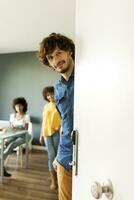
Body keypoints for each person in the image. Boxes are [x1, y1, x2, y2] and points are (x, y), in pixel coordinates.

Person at [38, 33, 75, 200]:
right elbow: (65, 122)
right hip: (64, 155)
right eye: (51, 57)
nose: (56, 60)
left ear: (69, 51)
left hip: (88, 152)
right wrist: (59, 156)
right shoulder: (58, 87)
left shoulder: (90, 77)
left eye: (59, 53)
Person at [40, 86, 61, 190]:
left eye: (52, 94)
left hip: (56, 132)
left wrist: (60, 126)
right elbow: (44, 121)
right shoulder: (46, 106)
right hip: (46, 133)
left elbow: (63, 117)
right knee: (51, 155)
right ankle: (53, 180)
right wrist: (41, 135)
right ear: (46, 96)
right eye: (48, 95)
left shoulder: (59, 104)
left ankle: (58, 177)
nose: (50, 96)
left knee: (57, 155)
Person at [3, 97, 31, 172]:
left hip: (24, 135)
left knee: (12, 144)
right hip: (14, 134)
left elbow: (25, 129)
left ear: (24, 106)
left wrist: (16, 127)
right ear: (14, 107)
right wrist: (8, 128)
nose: (18, 107)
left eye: (20, 105)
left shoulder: (26, 116)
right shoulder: (12, 116)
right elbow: (10, 127)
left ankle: (1, 160)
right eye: (16, 106)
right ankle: (2, 165)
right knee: (6, 143)